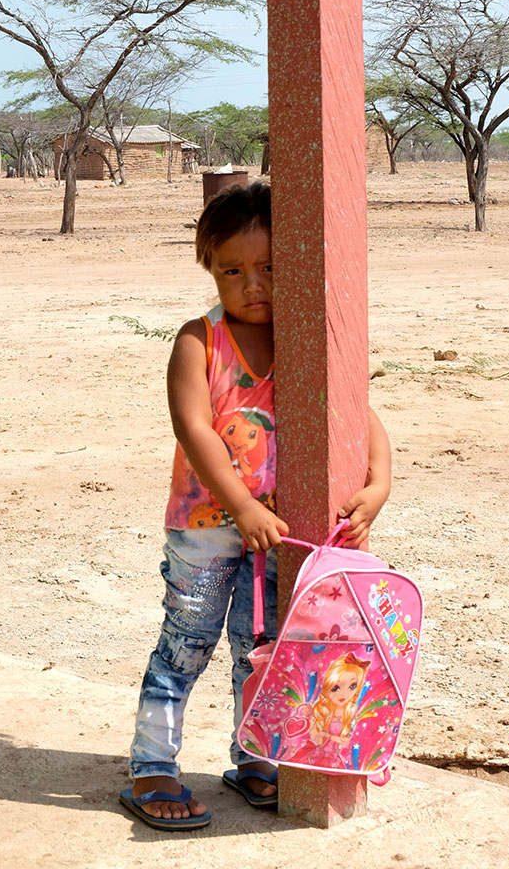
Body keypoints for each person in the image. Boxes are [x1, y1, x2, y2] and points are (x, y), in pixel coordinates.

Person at [119, 182, 391, 830]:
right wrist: (241, 504)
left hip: (280, 533)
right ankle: (153, 763)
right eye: (233, 270)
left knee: (261, 648)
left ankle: (253, 757)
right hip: (206, 529)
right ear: (207, 266)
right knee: (185, 644)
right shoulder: (198, 341)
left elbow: (363, 416)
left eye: (270, 268)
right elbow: (196, 429)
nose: (253, 284)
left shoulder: (305, 341)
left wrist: (378, 485)